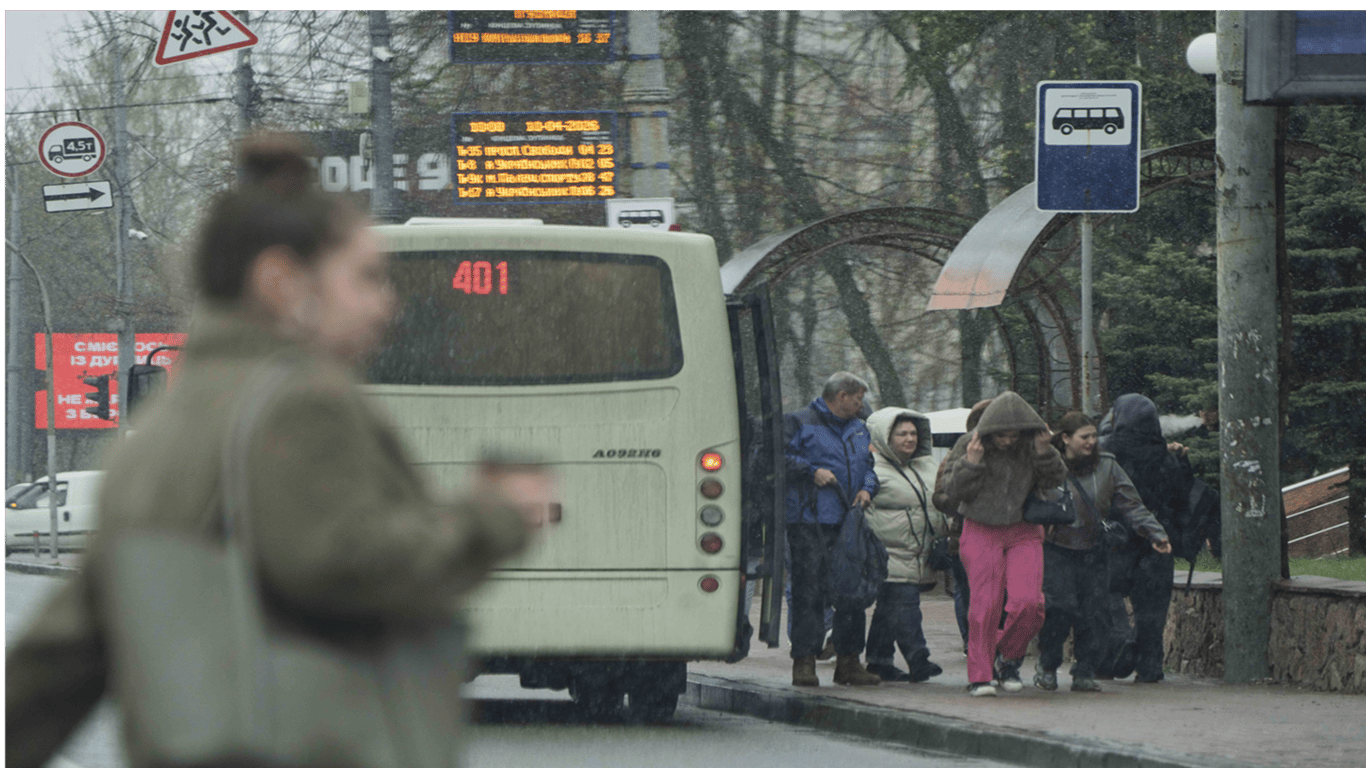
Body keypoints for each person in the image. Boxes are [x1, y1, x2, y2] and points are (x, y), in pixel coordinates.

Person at [3, 136, 548, 768]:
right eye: (366, 278)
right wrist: (490, 517)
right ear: (280, 281)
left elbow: (60, 660)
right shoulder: (300, 405)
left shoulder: (158, 430)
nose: (387, 304)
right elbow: (351, 564)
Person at [936, 391, 1065, 697]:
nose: (1008, 441)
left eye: (1013, 434)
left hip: (1024, 529)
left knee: (1030, 604)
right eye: (1001, 435)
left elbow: (1056, 479)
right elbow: (952, 491)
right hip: (980, 529)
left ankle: (1008, 657)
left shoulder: (1032, 444)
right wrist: (973, 461)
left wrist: (1045, 451)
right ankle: (980, 675)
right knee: (985, 606)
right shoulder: (969, 443)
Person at [1034, 412, 1170, 694]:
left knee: (1093, 614)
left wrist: (1155, 532)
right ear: (1066, 439)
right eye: (1085, 437)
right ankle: (1048, 666)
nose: (1092, 442)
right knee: (1059, 608)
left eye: (1094, 436)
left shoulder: (1107, 465)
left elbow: (1131, 503)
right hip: (1057, 549)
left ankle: (1084, 671)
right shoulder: (1049, 466)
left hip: (1094, 549)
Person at [783, 372, 880, 687]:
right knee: (809, 592)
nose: (860, 404)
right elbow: (779, 460)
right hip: (809, 522)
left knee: (852, 590)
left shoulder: (859, 427)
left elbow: (870, 468)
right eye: (857, 398)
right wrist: (811, 472)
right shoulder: (800, 422)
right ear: (841, 396)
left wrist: (867, 488)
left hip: (847, 521)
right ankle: (805, 662)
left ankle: (849, 661)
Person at [1098, 393, 1199, 684]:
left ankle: (1115, 649)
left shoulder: (1107, 451)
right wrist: (1183, 462)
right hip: (1157, 541)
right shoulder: (1167, 456)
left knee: (1106, 594)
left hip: (1116, 538)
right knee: (1152, 610)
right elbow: (1183, 499)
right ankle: (1150, 667)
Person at [863, 407, 947, 683]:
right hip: (889, 552)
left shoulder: (927, 465)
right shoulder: (871, 469)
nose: (909, 439)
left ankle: (878, 661)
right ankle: (918, 657)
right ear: (885, 436)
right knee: (906, 604)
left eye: (913, 433)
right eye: (901, 434)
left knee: (889, 608)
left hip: (919, 551)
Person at [933, 398, 994, 654]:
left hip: (1004, 535)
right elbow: (940, 497)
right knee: (967, 592)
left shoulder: (1018, 457)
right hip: (964, 535)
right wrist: (967, 501)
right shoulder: (957, 454)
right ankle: (972, 641)